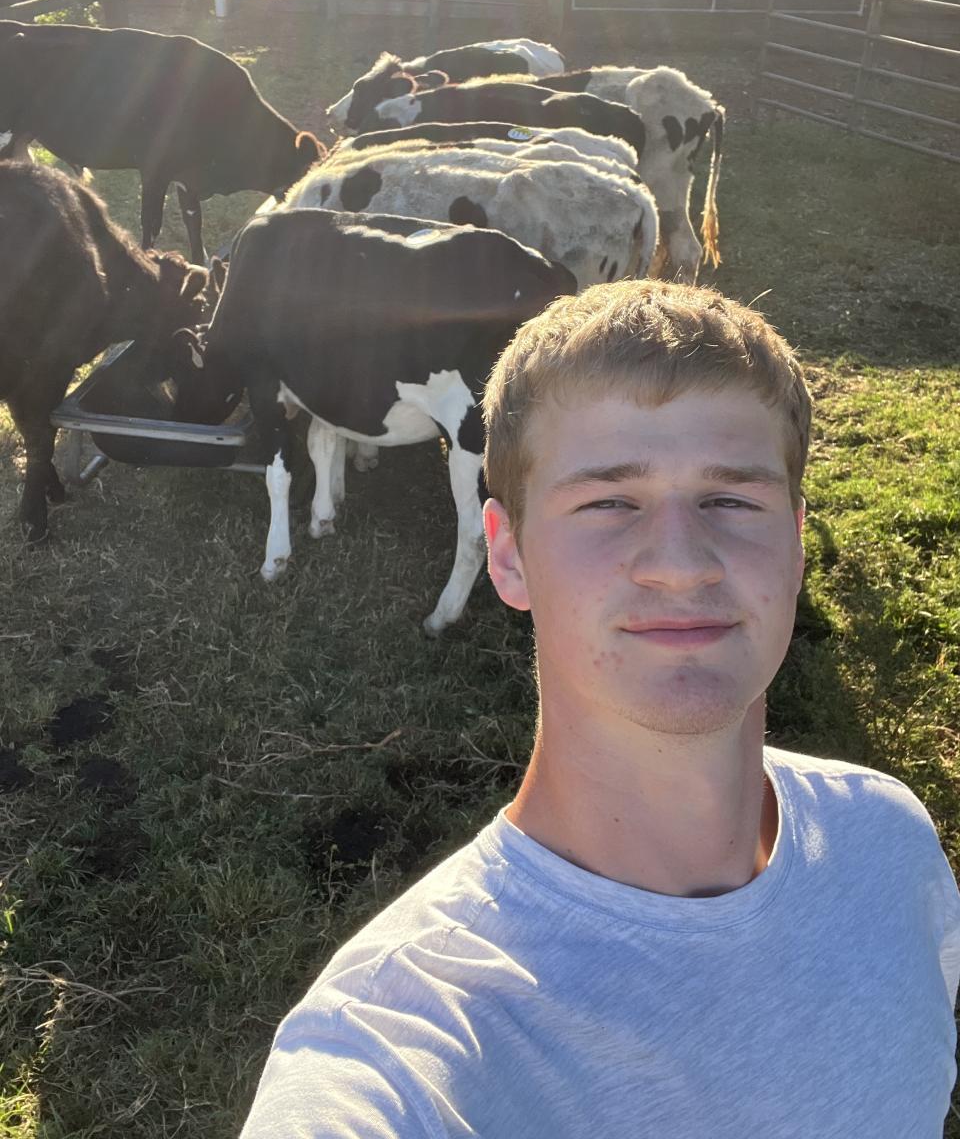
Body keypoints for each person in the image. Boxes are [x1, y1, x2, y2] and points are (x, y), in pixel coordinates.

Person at [240, 280, 960, 1139]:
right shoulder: (399, 1046)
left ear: (797, 543)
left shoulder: (892, 845)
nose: (681, 563)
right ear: (506, 555)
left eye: (732, 499)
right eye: (609, 502)